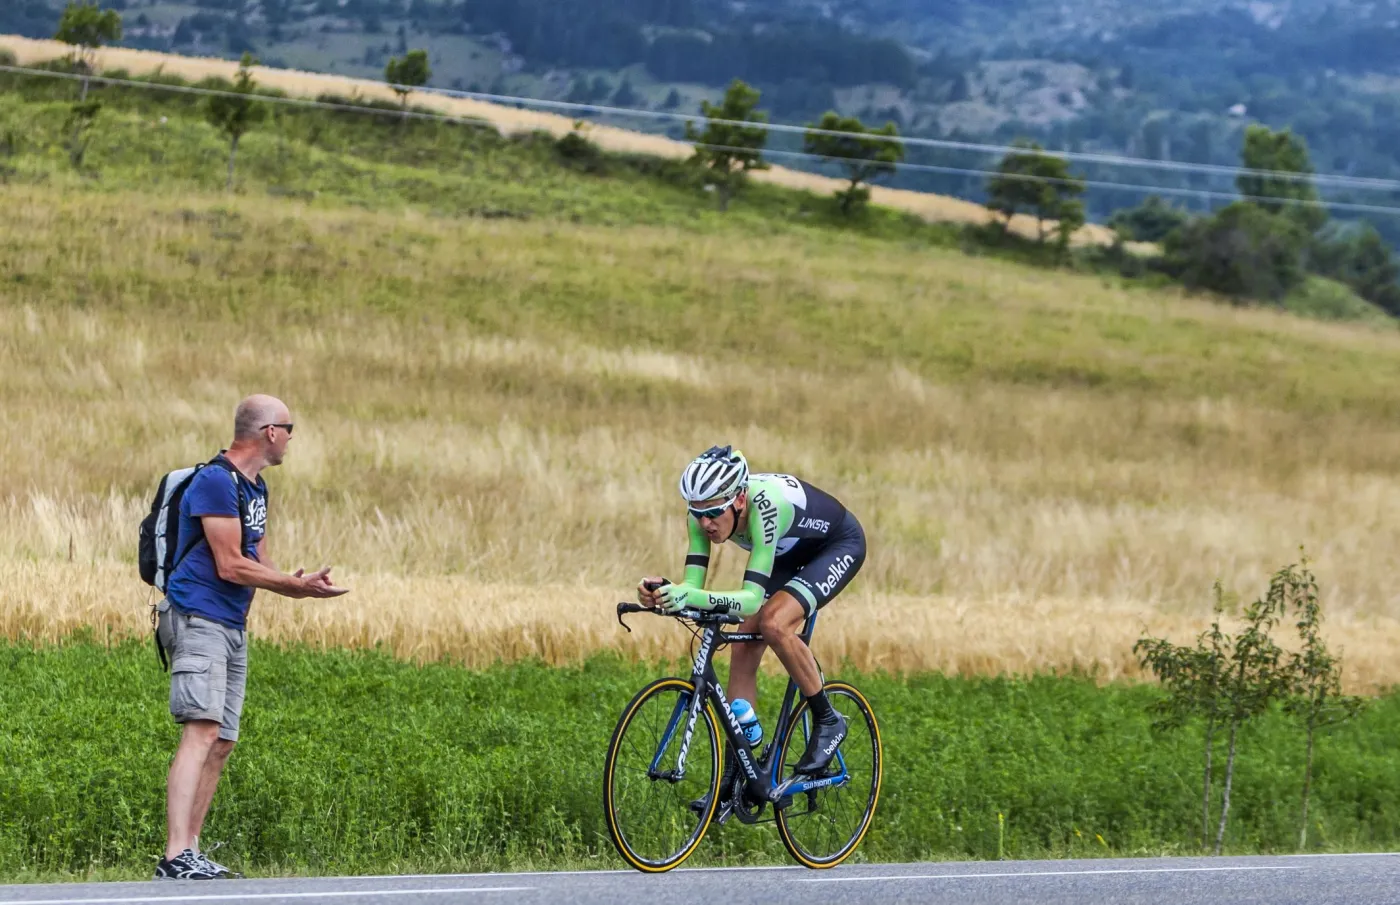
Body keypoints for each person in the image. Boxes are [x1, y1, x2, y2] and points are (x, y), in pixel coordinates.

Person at [155, 395, 349, 881]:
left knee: (221, 740)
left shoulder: (255, 487)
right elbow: (228, 564)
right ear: (268, 432)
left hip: (231, 623)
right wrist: (291, 587)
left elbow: (256, 559)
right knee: (199, 730)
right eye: (289, 428)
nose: (291, 437)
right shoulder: (217, 482)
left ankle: (192, 851)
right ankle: (174, 855)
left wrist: (298, 583)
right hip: (198, 616)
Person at [638, 445, 866, 813]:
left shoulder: (765, 507)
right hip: (785, 553)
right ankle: (734, 776)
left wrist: (689, 595)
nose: (706, 523)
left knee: (774, 622)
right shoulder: (700, 514)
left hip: (835, 546)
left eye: (714, 513)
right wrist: (667, 594)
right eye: (698, 514)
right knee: (743, 645)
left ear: (740, 499)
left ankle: (828, 719)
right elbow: (693, 587)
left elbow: (748, 599)